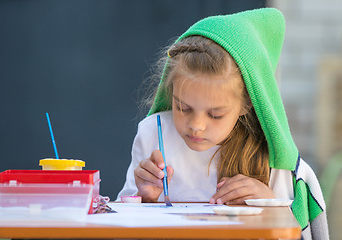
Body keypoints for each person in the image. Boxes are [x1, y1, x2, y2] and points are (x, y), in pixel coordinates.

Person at [117, 8, 328, 240]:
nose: (196, 125)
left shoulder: (268, 152)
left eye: (215, 115)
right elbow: (120, 226)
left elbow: (292, 235)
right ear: (171, 92)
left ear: (247, 102)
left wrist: (269, 202)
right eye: (183, 108)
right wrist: (144, 199)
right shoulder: (152, 133)